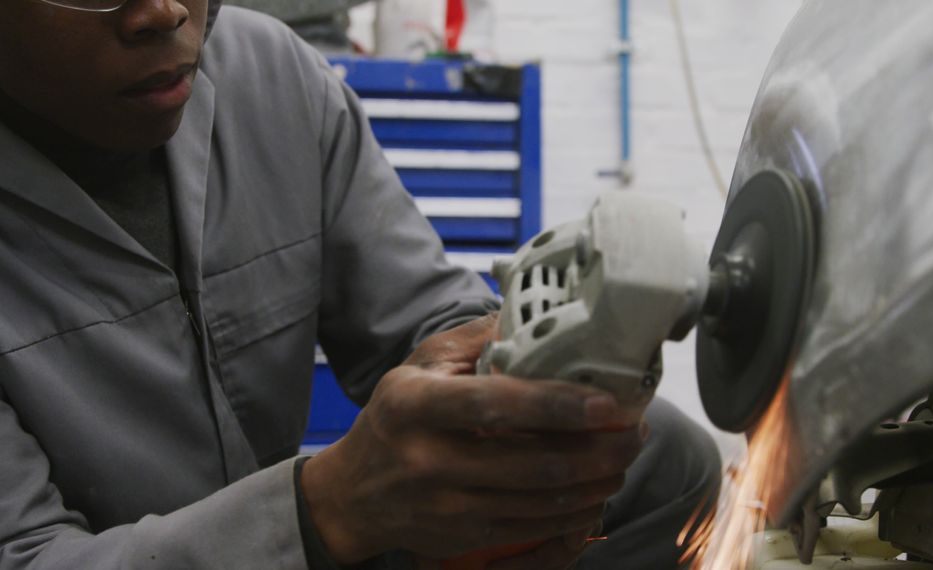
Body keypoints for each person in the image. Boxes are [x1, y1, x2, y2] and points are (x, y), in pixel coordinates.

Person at [0, 1, 721, 568]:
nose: (162, 11)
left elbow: (428, 313)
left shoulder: (270, 75)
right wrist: (328, 510)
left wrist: (501, 397)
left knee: (663, 459)